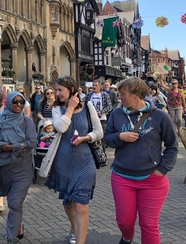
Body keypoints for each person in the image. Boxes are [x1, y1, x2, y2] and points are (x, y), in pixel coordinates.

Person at [104, 77, 178, 244]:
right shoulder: (116, 114)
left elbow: (172, 146)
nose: (119, 97)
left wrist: (162, 170)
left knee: (149, 225)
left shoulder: (159, 116)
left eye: (123, 94)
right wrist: (120, 136)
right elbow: (107, 139)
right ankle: (127, 237)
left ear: (136, 94)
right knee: (125, 222)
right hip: (122, 177)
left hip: (152, 179)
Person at [45, 76, 103, 244]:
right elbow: (61, 128)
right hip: (63, 162)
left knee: (81, 206)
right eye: (56, 90)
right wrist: (69, 109)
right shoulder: (56, 109)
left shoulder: (88, 106)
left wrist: (85, 138)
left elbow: (99, 132)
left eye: (60, 90)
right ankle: (73, 227)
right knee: (68, 203)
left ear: (71, 90)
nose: (57, 93)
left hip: (85, 161)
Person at [0, 91, 36, 244]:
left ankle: (11, 238)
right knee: (16, 204)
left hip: (23, 168)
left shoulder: (27, 122)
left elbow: (31, 143)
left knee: (14, 202)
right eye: (15, 102)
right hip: (4, 167)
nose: (18, 105)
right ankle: (18, 225)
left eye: (21, 102)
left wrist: (9, 147)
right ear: (8, 103)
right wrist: (15, 147)